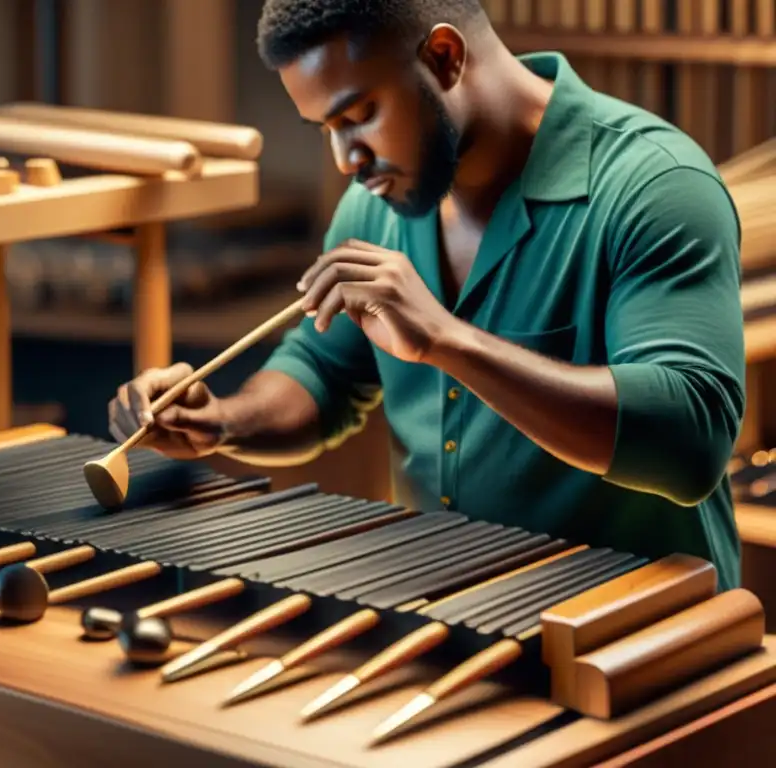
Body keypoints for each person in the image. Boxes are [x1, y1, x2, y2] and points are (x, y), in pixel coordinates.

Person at [108, 0, 745, 590]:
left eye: (358, 117)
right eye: (324, 128)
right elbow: (324, 372)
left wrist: (446, 340)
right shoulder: (374, 205)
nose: (343, 160)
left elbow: (690, 442)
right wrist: (222, 421)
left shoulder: (655, 185)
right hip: (450, 615)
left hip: (637, 634)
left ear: (444, 57)